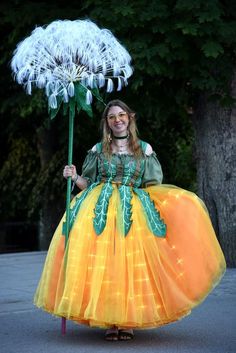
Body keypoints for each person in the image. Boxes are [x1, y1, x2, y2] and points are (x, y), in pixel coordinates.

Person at [34, 99, 226, 341]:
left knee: (130, 267)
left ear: (130, 118)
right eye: (112, 116)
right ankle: (110, 322)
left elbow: (153, 187)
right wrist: (74, 177)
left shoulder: (144, 150)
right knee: (107, 268)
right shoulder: (97, 150)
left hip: (132, 214)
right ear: (107, 122)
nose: (118, 120)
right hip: (99, 213)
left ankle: (127, 321)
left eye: (121, 115)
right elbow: (87, 186)